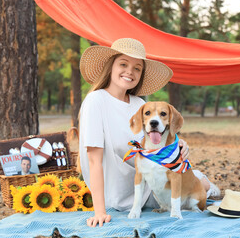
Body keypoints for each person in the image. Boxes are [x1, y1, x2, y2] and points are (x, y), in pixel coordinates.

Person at [79, 38, 220, 227]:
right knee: (201, 184)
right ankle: (205, 193)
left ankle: (204, 192)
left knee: (199, 180)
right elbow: (94, 160)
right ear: (110, 66)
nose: (130, 71)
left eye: (137, 68)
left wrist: (179, 144)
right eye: (123, 64)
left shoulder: (139, 104)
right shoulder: (96, 101)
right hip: (122, 193)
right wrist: (100, 212)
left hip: (152, 177)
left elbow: (153, 142)